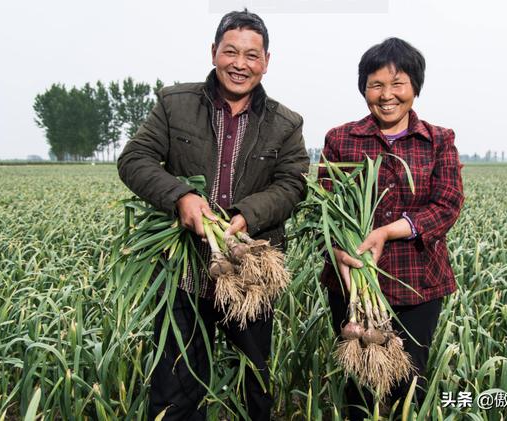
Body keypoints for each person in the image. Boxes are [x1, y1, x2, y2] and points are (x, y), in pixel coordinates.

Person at [117, 9, 309, 420]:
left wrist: (246, 215)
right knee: (176, 387)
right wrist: (182, 197)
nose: (240, 64)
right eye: (231, 52)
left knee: (253, 385)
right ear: (213, 52)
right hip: (182, 274)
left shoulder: (286, 123)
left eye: (252, 55)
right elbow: (135, 159)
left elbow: (293, 183)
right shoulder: (174, 104)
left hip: (249, 274)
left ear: (266, 62)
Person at [319, 37, 464, 419]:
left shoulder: (438, 140)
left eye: (397, 84)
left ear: (415, 86)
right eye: (375, 85)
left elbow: (447, 204)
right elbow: (323, 210)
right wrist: (339, 252)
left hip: (418, 284)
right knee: (357, 388)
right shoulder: (341, 139)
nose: (387, 95)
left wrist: (388, 232)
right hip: (352, 286)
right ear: (363, 88)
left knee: (408, 387)